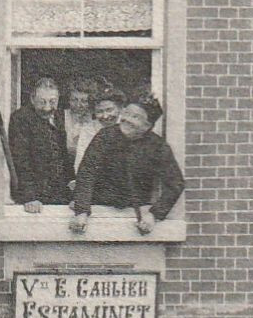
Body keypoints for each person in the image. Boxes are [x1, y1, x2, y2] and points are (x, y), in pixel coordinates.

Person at [70, 94, 184, 236]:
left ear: (148, 125)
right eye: (126, 113)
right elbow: (87, 174)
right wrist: (81, 211)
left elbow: (176, 184)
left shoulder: (157, 146)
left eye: (135, 117)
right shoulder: (105, 136)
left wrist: (154, 215)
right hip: (98, 211)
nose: (127, 119)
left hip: (136, 215)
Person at [7, 77, 72, 210]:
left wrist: (72, 182)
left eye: (52, 102)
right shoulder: (20, 118)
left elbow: (63, 155)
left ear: (58, 99)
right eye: (42, 102)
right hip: (35, 197)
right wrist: (30, 197)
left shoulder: (60, 117)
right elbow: (20, 160)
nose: (47, 108)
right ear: (32, 99)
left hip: (60, 194)